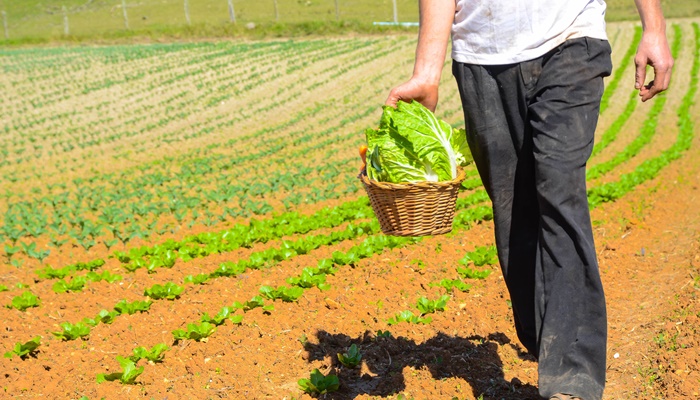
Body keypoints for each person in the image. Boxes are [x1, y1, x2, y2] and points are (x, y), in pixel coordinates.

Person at [385, 1, 673, 399]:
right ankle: (550, 340)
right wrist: (426, 72)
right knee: (513, 215)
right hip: (482, 59)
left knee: (559, 186)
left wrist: (653, 28)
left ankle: (573, 378)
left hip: (571, 39)